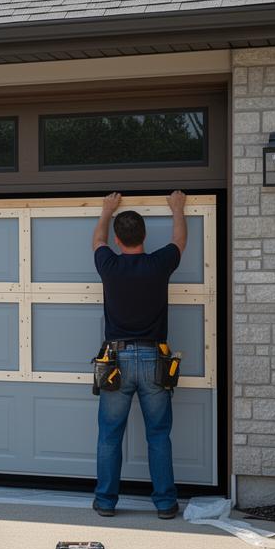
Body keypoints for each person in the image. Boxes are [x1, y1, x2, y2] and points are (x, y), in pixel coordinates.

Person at [90, 191, 187, 519]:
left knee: (109, 435)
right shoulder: (159, 264)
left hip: (115, 362)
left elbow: (98, 241)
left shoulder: (109, 265)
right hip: (153, 360)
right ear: (144, 236)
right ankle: (165, 504)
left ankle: (106, 502)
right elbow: (179, 241)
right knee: (158, 435)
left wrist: (106, 210)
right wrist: (177, 209)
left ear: (118, 239)